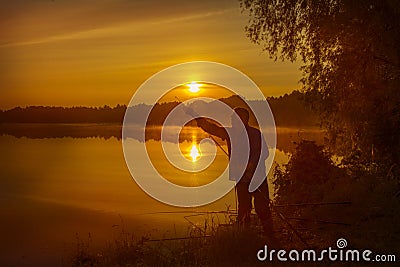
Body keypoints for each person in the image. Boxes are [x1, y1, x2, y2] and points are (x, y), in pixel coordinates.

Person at [187, 106, 275, 239]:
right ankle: (244, 238)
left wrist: (249, 168)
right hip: (242, 179)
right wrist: (194, 114)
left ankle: (270, 237)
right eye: (232, 118)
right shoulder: (231, 133)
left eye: (234, 117)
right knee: (244, 209)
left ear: (243, 119)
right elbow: (211, 128)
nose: (232, 119)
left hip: (257, 178)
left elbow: (264, 153)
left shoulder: (255, 134)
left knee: (262, 209)